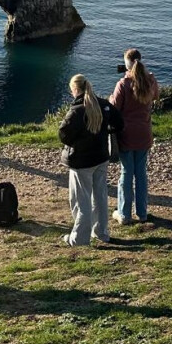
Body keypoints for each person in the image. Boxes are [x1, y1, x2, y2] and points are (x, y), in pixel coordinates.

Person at [57, 74, 124, 246]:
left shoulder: (77, 110)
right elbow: (120, 123)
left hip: (81, 161)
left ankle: (79, 238)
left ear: (75, 89)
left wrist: (75, 142)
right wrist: (105, 131)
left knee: (81, 200)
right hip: (101, 157)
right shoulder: (103, 104)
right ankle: (101, 233)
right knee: (100, 196)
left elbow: (63, 134)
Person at [108, 48, 159, 224]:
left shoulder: (123, 84)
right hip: (144, 133)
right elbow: (155, 96)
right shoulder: (150, 80)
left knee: (126, 172)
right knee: (141, 173)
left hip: (126, 134)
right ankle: (142, 212)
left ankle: (124, 213)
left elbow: (114, 107)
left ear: (127, 64)